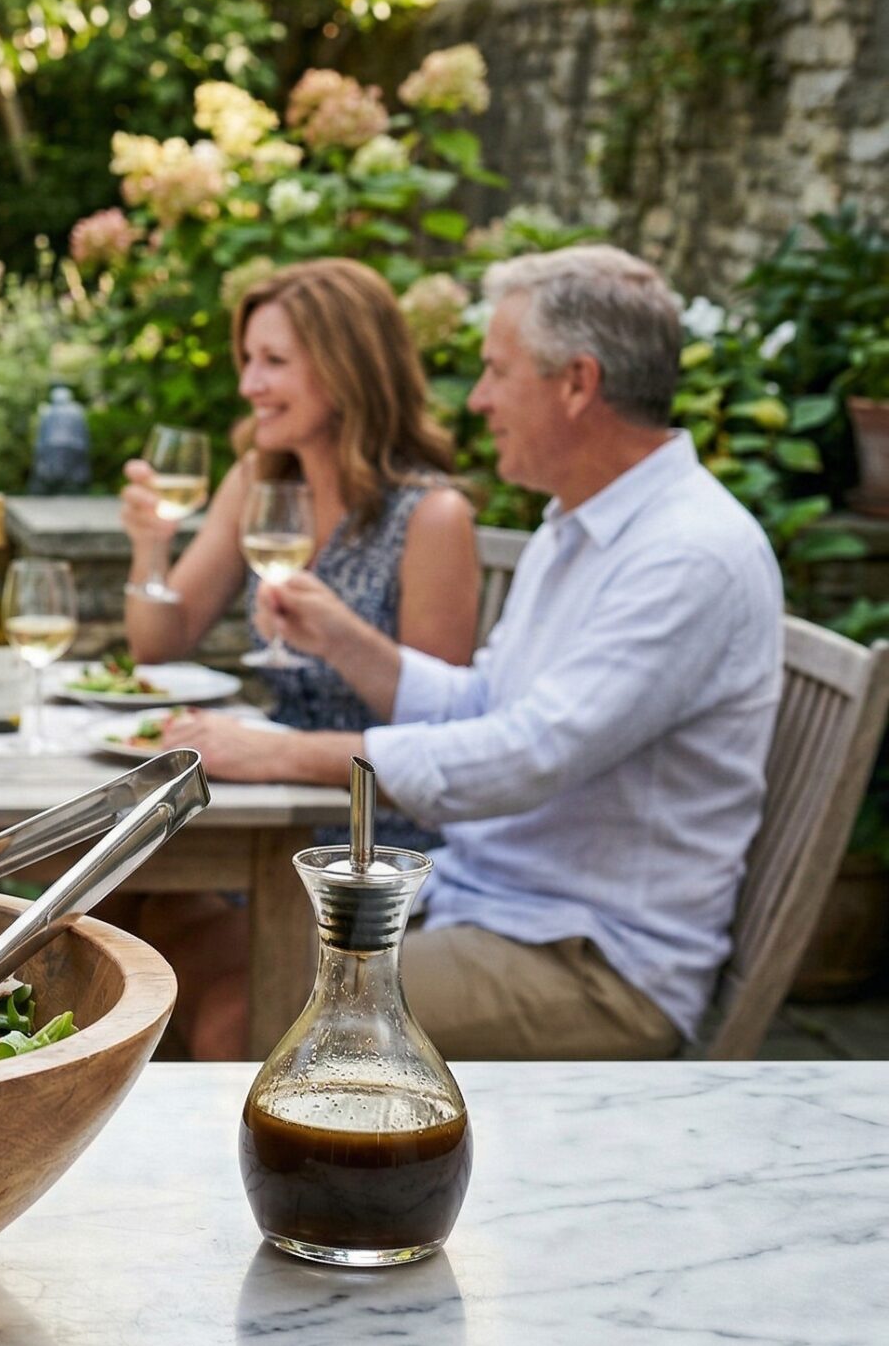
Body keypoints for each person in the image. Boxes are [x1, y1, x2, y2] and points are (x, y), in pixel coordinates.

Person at [172, 245, 783, 1062]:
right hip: (485, 903)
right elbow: (490, 701)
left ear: (577, 383)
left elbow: (524, 756)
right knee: (154, 940)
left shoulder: (688, 554)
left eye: (498, 371)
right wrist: (348, 642)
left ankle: (297, 1189)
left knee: (253, 1008)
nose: (481, 399)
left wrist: (285, 752)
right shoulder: (577, 528)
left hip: (589, 960)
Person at [127, 259, 480, 851]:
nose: (249, 386)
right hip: (256, 802)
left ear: (347, 371)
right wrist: (150, 550)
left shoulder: (430, 516)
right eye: (248, 361)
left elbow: (434, 733)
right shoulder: (255, 482)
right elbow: (159, 642)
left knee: (129, 909)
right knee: (107, 897)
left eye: (274, 362)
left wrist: (339, 639)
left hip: (367, 839)